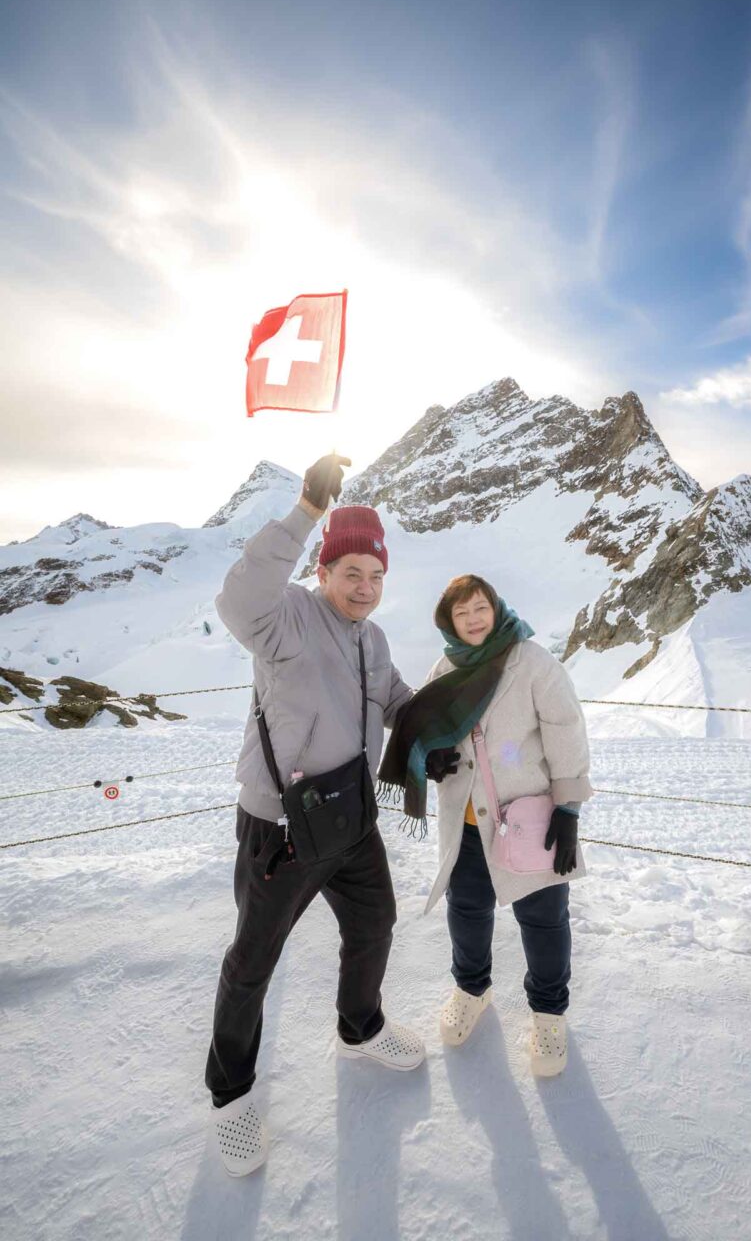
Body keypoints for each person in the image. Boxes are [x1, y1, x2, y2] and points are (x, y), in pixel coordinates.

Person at [205, 453, 424, 1177]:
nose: (363, 588)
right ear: (323, 572)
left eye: (374, 576)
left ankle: (359, 1027)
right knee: (253, 961)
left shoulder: (373, 638)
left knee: (375, 923)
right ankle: (231, 1093)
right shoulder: (287, 618)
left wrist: (446, 720)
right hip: (282, 826)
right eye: (350, 572)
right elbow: (238, 599)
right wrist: (305, 510)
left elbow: (393, 699)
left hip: (351, 817)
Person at [378, 574, 592, 1076]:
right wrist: (431, 762)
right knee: (467, 910)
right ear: (448, 622)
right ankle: (471, 988)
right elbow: (432, 732)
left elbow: (566, 731)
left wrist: (568, 809)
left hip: (528, 819)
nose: (474, 619)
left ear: (495, 608)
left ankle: (548, 1014)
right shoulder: (444, 667)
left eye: (481, 608)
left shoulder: (531, 661)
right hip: (467, 820)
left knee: (543, 920)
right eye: (462, 613)